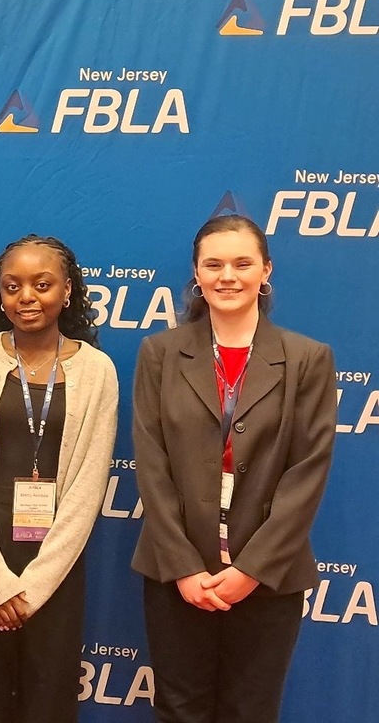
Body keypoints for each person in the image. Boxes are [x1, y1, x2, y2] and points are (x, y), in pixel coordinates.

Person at [132, 214, 337, 723]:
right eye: (214, 264)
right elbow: (151, 463)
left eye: (243, 263)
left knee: (251, 711)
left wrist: (250, 570)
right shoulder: (159, 353)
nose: (228, 275)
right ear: (197, 275)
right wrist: (182, 566)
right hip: (177, 574)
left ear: (266, 270)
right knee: (180, 710)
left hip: (269, 578)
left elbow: (307, 474)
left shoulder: (308, 358)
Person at [0, 234, 118, 723]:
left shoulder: (98, 370)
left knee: (49, 698)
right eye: (12, 285)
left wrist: (33, 589)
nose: (26, 297)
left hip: (56, 560)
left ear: (68, 291)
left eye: (42, 285)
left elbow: (86, 489)